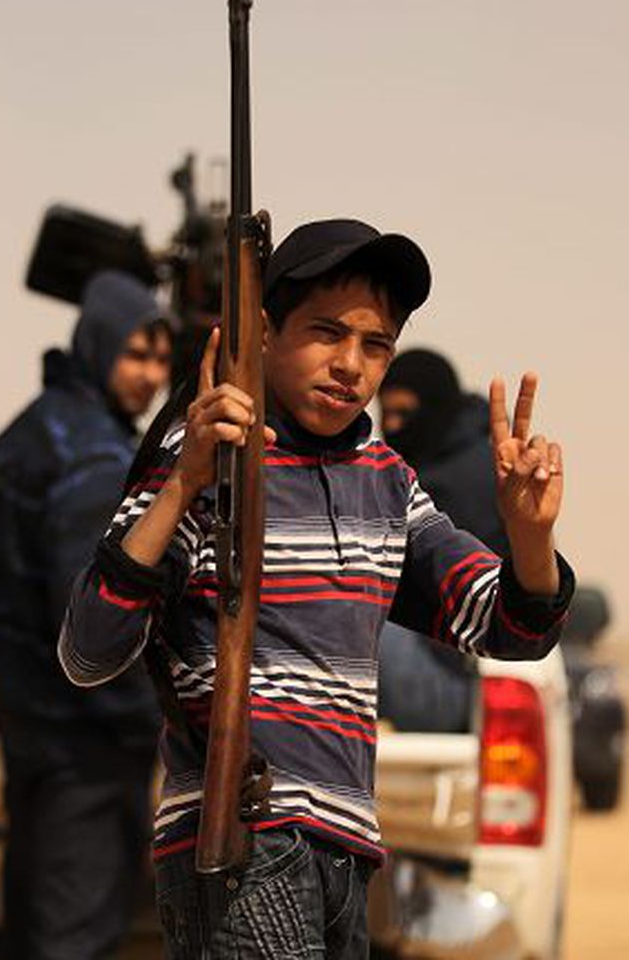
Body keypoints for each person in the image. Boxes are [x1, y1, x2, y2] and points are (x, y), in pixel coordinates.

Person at [59, 220, 574, 959]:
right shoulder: (210, 458)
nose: (350, 365)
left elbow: (511, 629)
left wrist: (528, 537)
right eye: (326, 333)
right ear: (264, 332)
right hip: (242, 844)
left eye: (375, 345)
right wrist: (186, 483)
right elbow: (87, 650)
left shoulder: (387, 481)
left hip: (346, 850)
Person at [0, 270, 172, 960]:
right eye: (134, 354)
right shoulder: (91, 453)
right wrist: (155, 718)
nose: (150, 376)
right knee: (74, 939)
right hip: (85, 748)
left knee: (37, 934)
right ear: (96, 346)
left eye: (159, 359)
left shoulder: (29, 432)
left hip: (33, 734)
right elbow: (92, 617)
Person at [376, 349, 509, 733]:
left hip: (459, 681)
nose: (394, 425)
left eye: (406, 413)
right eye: (388, 414)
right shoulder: (475, 463)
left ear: (433, 409)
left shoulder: (451, 482)